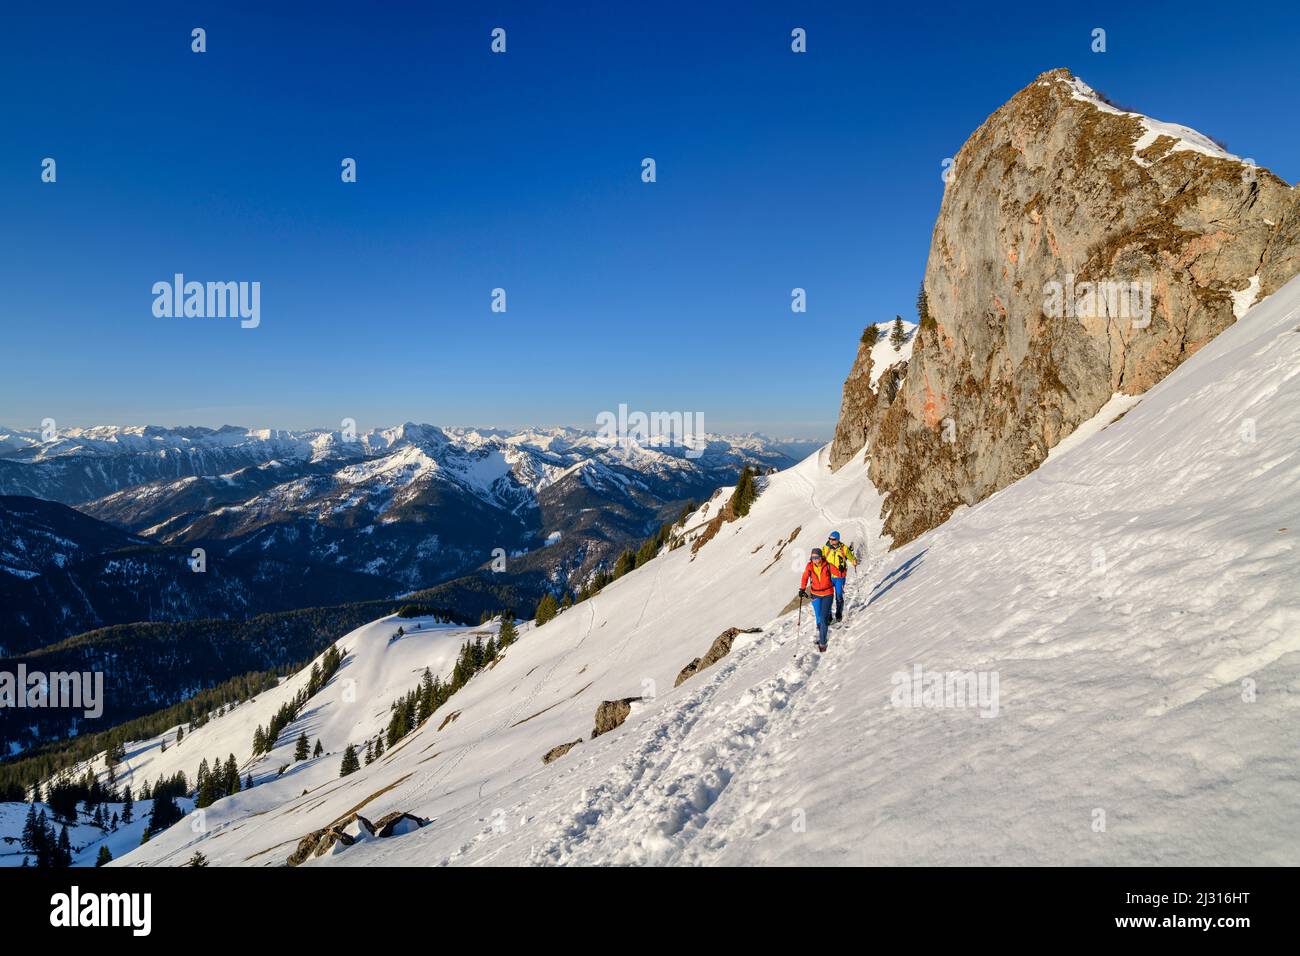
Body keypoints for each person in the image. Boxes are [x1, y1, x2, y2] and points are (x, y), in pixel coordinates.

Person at [799, 548, 835, 652]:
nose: (814, 560)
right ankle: (822, 631)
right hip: (815, 594)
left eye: (817, 557)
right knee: (819, 617)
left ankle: (822, 642)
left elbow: (837, 572)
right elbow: (805, 577)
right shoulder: (809, 566)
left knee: (823, 618)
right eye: (813, 558)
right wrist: (802, 589)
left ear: (821, 557)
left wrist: (841, 571)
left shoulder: (827, 565)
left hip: (827, 594)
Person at [823, 531, 858, 622]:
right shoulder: (826, 548)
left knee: (839, 596)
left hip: (840, 577)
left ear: (838, 539)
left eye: (833, 539)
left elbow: (850, 556)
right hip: (828, 577)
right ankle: (829, 616)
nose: (831, 541)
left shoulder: (843, 548)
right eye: (829, 539)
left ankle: (839, 614)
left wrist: (853, 560)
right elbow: (820, 559)